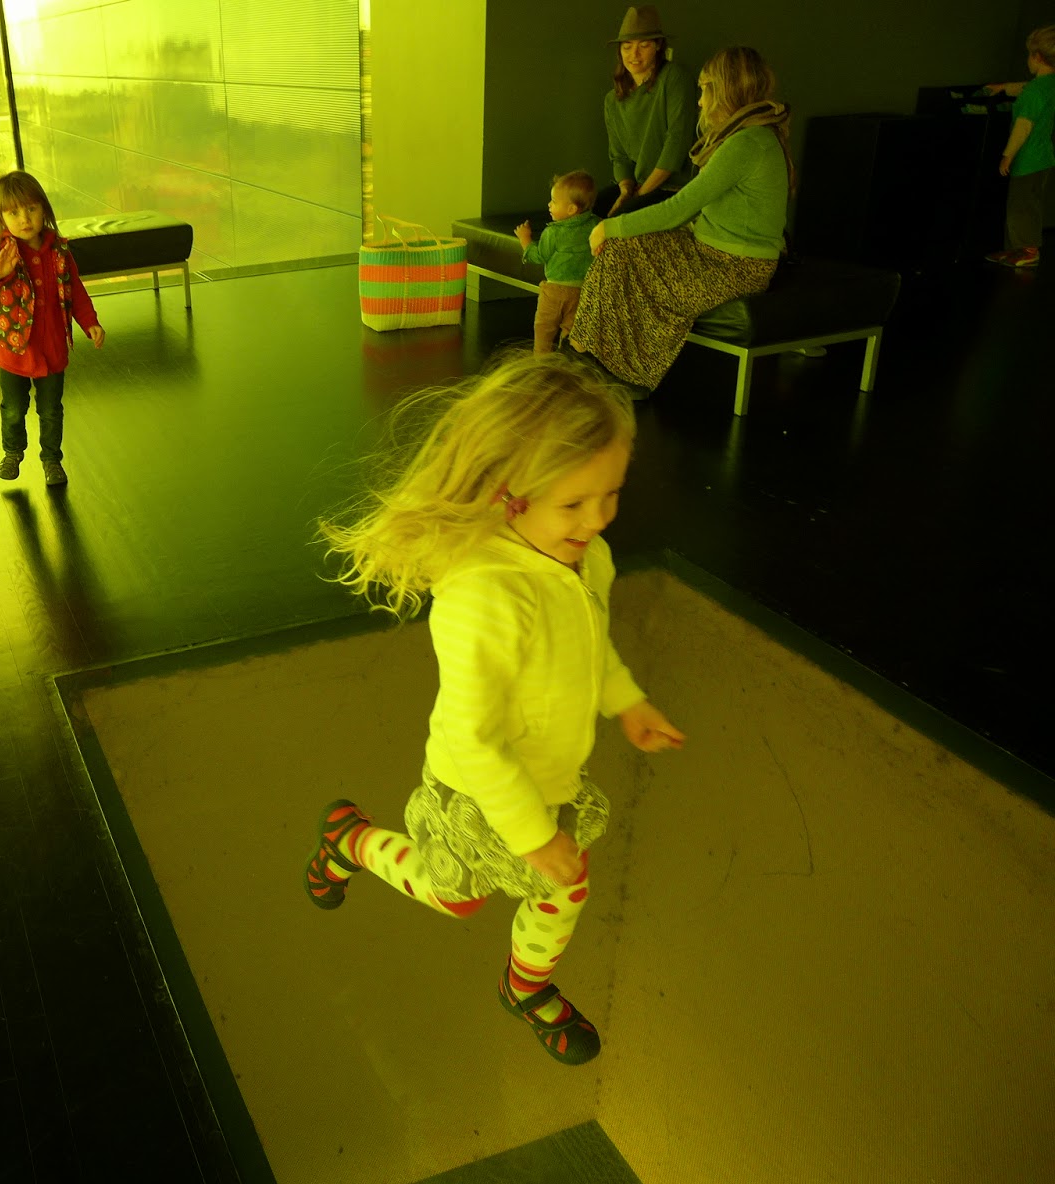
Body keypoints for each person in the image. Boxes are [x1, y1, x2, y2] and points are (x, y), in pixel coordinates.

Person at [306, 352, 685, 1066]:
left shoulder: (585, 558)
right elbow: (471, 736)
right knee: (456, 896)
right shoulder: (486, 596)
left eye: (611, 494)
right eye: (574, 504)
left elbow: (589, 650)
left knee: (564, 882)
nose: (598, 519)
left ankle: (525, 986)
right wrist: (531, 835)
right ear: (508, 494)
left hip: (548, 777)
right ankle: (349, 840)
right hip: (476, 791)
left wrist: (627, 702)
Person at [571, 46, 791, 392]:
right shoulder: (746, 135)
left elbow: (681, 205)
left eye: (705, 90)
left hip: (736, 267)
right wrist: (617, 232)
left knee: (618, 245)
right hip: (709, 250)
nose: (700, 102)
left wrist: (609, 226)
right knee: (619, 250)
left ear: (725, 90)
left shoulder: (748, 143)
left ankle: (605, 364)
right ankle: (585, 352)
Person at [0, 171, 104, 488]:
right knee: (13, 409)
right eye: (14, 212)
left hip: (52, 348)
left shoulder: (59, 250)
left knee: (51, 410)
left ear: (43, 207)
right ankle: (13, 452)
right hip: (13, 352)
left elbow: (75, 289)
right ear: (1, 217)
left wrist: (90, 322)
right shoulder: (1, 250)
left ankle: (51, 459)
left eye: (31, 208)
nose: (24, 219)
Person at [599, 7, 698, 218]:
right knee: (591, 210)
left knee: (617, 221)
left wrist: (640, 195)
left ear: (658, 46)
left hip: (671, 186)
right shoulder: (612, 100)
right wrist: (625, 191)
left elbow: (676, 143)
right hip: (636, 185)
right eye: (627, 47)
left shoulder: (674, 78)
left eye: (643, 46)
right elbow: (619, 156)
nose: (634, 55)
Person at [982, 25, 1055, 269]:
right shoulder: (1049, 84)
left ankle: (1027, 251)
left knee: (1020, 207)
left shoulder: (1035, 92)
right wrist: (1004, 87)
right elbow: (1026, 87)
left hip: (1028, 160)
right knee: (1030, 203)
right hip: (1044, 158)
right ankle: (1016, 249)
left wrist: (1007, 156)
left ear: (1037, 57)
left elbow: (1022, 127)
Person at [515, 171, 601, 353]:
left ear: (571, 209)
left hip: (554, 291)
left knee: (544, 326)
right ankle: (569, 351)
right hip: (582, 289)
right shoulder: (596, 225)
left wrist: (525, 239)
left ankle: (541, 359)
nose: (549, 204)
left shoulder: (553, 233)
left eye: (553, 201)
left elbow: (538, 256)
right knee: (572, 326)